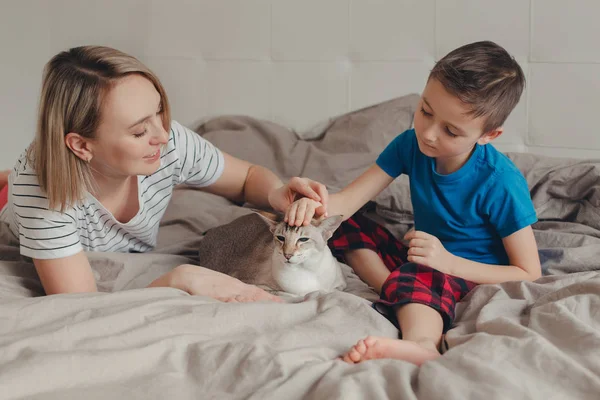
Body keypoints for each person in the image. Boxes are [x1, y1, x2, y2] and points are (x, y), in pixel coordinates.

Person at [0, 45, 328, 301]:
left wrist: (277, 192)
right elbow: (83, 305)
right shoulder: (41, 191)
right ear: (82, 146)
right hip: (16, 213)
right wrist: (178, 279)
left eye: (158, 112)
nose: (162, 135)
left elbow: (246, 178)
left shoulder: (170, 143)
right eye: (140, 130)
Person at [285, 41, 542, 365]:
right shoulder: (410, 144)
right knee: (343, 226)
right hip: (421, 256)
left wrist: (449, 264)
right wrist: (312, 206)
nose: (429, 133)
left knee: (424, 275)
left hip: (470, 271)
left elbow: (529, 272)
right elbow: (349, 201)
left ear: (488, 135)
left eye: (450, 130)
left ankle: (421, 343)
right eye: (425, 111)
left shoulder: (500, 181)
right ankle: (393, 286)